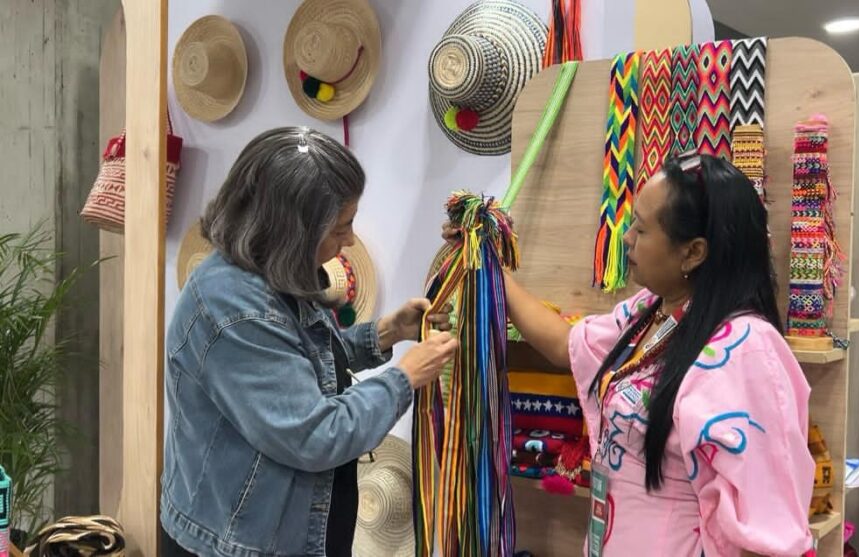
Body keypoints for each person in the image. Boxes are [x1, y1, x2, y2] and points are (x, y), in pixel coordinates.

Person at [445, 153, 814, 556]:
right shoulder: (650, 312)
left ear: (693, 252)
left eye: (641, 228)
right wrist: (486, 262)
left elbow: (766, 531)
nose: (626, 238)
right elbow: (566, 344)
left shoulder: (748, 352)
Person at [160, 127, 458, 557]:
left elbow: (295, 363)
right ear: (292, 230)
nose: (349, 240)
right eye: (340, 227)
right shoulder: (236, 309)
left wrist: (386, 333)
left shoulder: (265, 273)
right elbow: (314, 434)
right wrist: (404, 378)